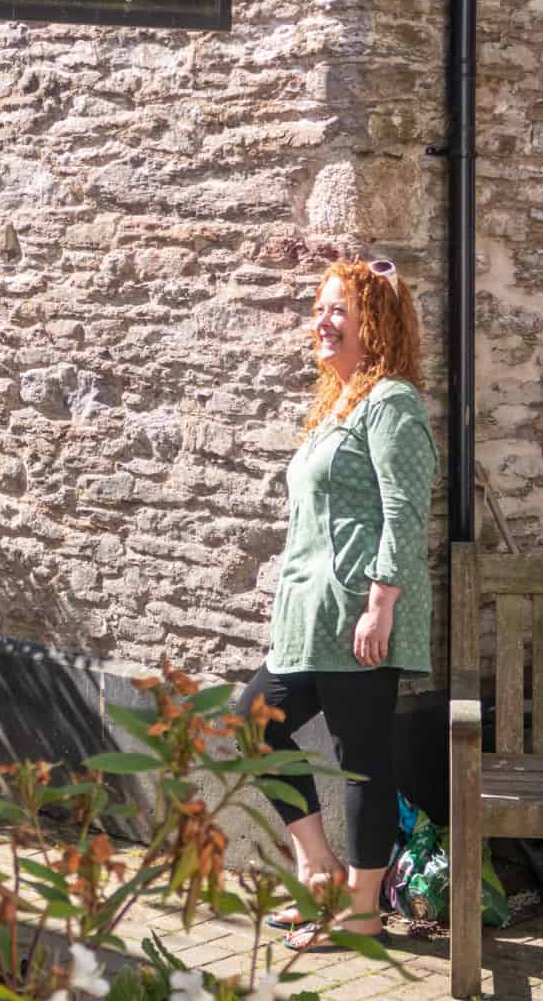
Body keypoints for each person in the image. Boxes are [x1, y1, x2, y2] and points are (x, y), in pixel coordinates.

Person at [235, 258, 438, 953]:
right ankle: (316, 865)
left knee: (362, 761)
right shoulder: (338, 404)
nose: (322, 321)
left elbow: (405, 512)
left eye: (339, 310)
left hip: (356, 616)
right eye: (320, 308)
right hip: (307, 619)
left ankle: (360, 911)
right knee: (251, 725)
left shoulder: (392, 403)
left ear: (373, 323)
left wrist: (381, 603)